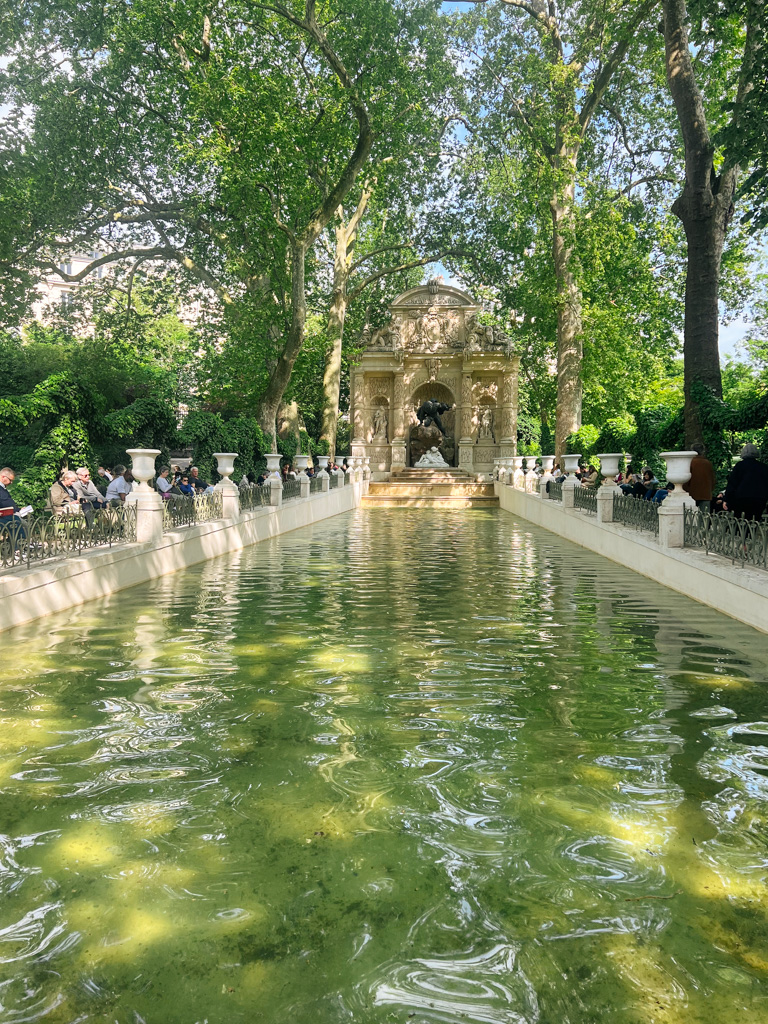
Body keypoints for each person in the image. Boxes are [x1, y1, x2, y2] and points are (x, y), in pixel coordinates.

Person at [723, 443, 768, 520]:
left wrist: (727, 499)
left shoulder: (739, 466)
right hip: (759, 499)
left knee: (741, 522)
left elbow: (732, 484)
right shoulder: (763, 467)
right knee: (754, 521)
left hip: (741, 499)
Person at [684, 444, 717, 511]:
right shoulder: (708, 463)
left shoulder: (690, 462)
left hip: (692, 494)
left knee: (692, 517)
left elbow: (686, 479)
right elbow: (712, 479)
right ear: (703, 451)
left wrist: (685, 490)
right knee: (705, 517)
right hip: (706, 494)